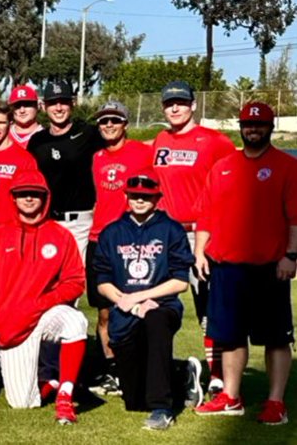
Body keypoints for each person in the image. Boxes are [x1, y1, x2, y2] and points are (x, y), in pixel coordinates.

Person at [193, 101, 296, 425]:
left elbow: (295, 218)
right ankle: (231, 397)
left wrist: (291, 255)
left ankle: (275, 401)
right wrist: (199, 252)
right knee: (230, 335)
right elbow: (206, 216)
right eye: (248, 125)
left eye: (260, 125)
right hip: (227, 266)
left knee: (277, 338)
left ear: (270, 126)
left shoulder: (286, 166)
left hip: (270, 266)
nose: (254, 129)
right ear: (240, 127)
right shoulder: (223, 166)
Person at [0, 171, 88, 424]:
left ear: (45, 198)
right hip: (10, 320)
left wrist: (41, 303)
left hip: (45, 313)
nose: (29, 199)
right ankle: (48, 383)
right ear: (13, 198)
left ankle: (66, 396)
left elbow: (75, 282)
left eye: (35, 194)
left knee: (75, 322)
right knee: (22, 403)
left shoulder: (61, 235)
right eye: (22, 194)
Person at [92, 174, 199, 431]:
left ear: (157, 198)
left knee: (156, 320)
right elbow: (102, 281)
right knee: (134, 400)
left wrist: (142, 298)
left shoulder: (171, 229)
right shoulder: (112, 232)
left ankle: (162, 408)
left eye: (146, 196)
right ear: (126, 197)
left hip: (162, 308)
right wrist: (126, 301)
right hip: (125, 311)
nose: (140, 200)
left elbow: (180, 282)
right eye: (134, 195)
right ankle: (182, 372)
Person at [150, 80, 237, 395]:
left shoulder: (214, 141)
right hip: (167, 234)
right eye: (169, 103)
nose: (175, 108)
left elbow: (233, 184)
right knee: (159, 303)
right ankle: (163, 371)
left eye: (181, 103)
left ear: (193, 105)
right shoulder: (160, 139)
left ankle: (216, 374)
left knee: (209, 306)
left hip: (202, 235)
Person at [88, 100, 154, 394]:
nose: (109, 125)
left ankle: (140, 367)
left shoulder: (143, 151)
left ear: (125, 123)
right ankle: (111, 370)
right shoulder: (97, 157)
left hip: (131, 240)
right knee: (104, 312)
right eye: (104, 121)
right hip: (98, 238)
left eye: (115, 120)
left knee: (136, 306)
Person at [26, 81, 105, 258]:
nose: (59, 107)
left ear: (73, 103)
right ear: (44, 106)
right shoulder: (37, 141)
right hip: (47, 220)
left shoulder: (89, 133)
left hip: (81, 222)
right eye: (53, 102)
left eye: (64, 101)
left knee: (77, 280)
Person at [0, 100, 40, 243]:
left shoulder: (25, 159)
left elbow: (33, 199)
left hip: (12, 230)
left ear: (10, 125)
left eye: (1, 123)